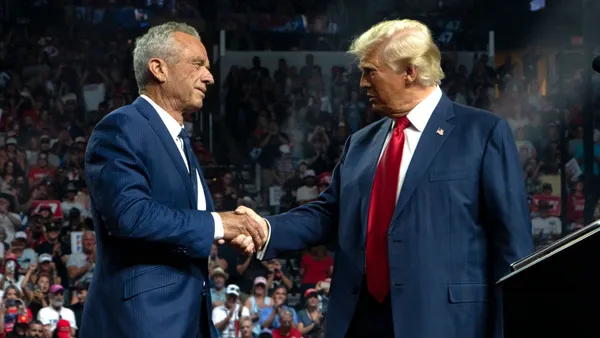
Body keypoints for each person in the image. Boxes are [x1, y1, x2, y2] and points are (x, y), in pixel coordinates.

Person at [237, 19, 533, 338]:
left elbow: (513, 248)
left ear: (410, 71)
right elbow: (328, 214)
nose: (362, 83)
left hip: (446, 323)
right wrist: (265, 229)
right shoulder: (361, 143)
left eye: (370, 71)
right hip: (361, 321)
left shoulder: (482, 133)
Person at [81, 22, 266, 338]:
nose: (209, 76)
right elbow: (131, 216)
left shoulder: (180, 141)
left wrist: (224, 234)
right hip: (140, 322)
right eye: (198, 64)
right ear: (158, 68)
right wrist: (219, 224)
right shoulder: (122, 127)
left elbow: (183, 227)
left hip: (190, 322)